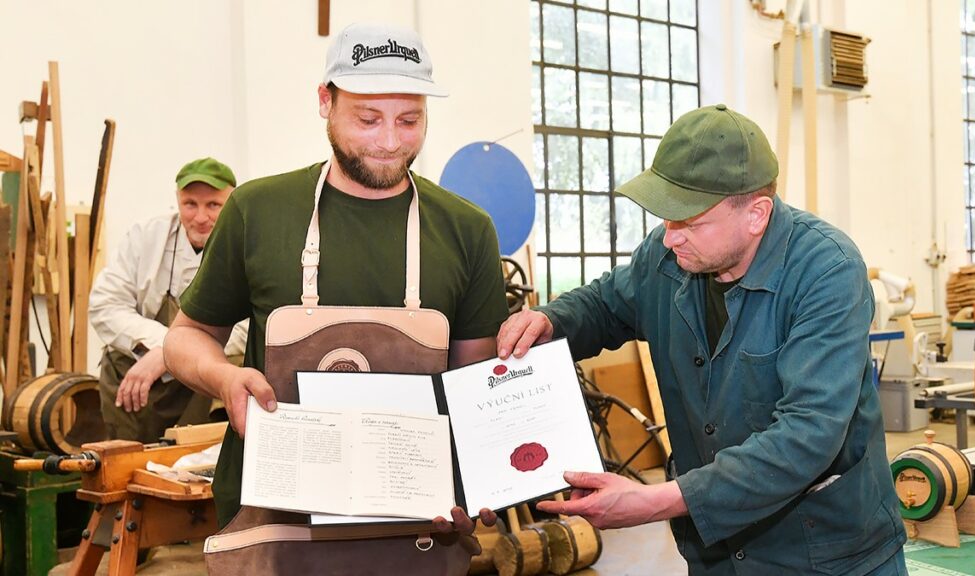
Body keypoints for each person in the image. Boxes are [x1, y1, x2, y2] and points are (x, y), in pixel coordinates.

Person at [497, 104, 908, 575]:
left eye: (689, 221)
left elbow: (807, 435)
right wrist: (551, 321)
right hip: (716, 555)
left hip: (825, 553)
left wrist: (656, 501)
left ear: (756, 214)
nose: (670, 238)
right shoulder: (670, 255)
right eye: (666, 218)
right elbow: (605, 305)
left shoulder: (826, 271)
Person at [163, 23, 507, 534]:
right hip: (271, 519)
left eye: (409, 120)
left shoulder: (467, 229)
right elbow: (186, 337)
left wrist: (486, 475)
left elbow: (473, 386)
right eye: (368, 119)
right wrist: (225, 378)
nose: (390, 142)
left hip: (415, 521)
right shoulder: (257, 210)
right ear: (325, 101)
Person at [90, 157, 247, 443]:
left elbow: (247, 327)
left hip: (201, 380)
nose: (201, 217)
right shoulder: (146, 236)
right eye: (190, 204)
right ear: (177, 200)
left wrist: (170, 353)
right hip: (141, 375)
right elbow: (105, 305)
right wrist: (160, 345)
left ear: (231, 200)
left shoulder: (246, 240)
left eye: (213, 205)